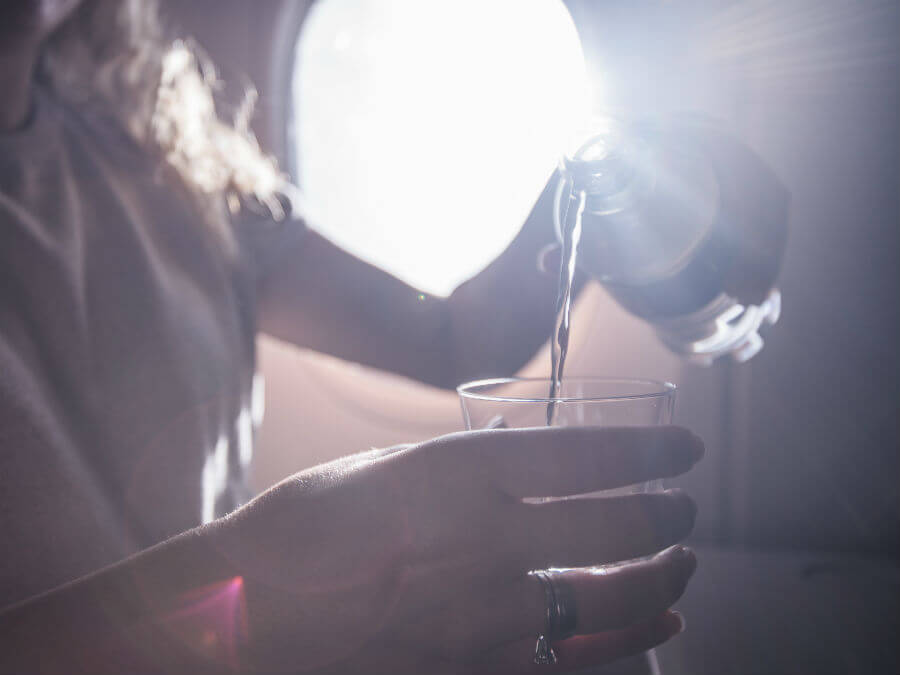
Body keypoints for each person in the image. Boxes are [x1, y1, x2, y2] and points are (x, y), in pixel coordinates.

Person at [0, 1, 704, 673]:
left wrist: (605, 171)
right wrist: (270, 595)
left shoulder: (159, 161)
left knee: (593, 644)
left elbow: (450, 339)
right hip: (239, 650)